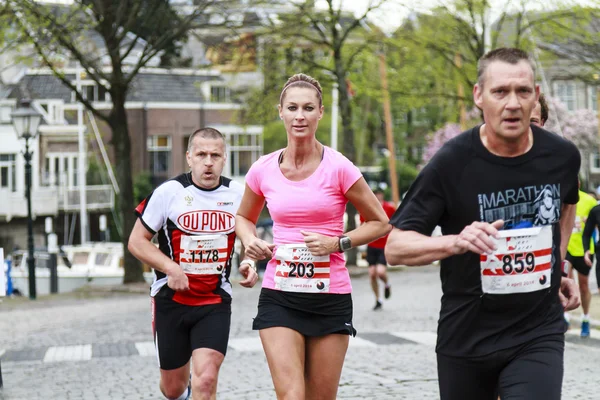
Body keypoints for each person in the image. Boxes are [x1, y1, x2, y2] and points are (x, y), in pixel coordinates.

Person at [385, 48, 581, 400]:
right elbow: (396, 247)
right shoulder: (450, 163)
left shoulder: (562, 157)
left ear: (536, 95)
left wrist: (557, 265)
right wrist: (456, 242)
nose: (513, 103)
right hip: (467, 336)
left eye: (523, 91)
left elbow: (568, 204)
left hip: (536, 331)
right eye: (500, 91)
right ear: (479, 96)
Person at [235, 73, 391, 400]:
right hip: (280, 295)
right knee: (292, 395)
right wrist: (249, 249)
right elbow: (243, 218)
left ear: (321, 112)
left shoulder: (340, 167)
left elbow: (380, 222)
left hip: (330, 297)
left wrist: (338, 243)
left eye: (308, 108)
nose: (300, 115)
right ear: (281, 111)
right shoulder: (262, 169)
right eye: (292, 107)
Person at [128, 127, 258, 400]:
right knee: (173, 388)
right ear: (189, 157)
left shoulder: (238, 193)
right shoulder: (169, 193)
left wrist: (249, 261)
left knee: (207, 379)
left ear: (225, 159)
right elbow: (137, 242)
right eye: (201, 154)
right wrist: (171, 268)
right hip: (171, 301)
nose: (208, 162)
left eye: (215, 155)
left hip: (214, 301)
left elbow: (250, 238)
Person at [564, 188, 597, 336]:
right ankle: (565, 317)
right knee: (566, 282)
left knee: (583, 287)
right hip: (567, 249)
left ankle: (585, 318)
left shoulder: (589, 201)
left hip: (584, 250)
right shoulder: (563, 196)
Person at [360, 188, 396, 310]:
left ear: (382, 195)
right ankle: (378, 300)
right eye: (375, 195)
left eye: (379, 194)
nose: (377, 196)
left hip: (384, 246)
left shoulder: (389, 208)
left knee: (380, 272)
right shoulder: (367, 208)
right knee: (372, 274)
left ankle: (387, 284)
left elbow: (396, 222)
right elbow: (363, 225)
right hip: (372, 245)